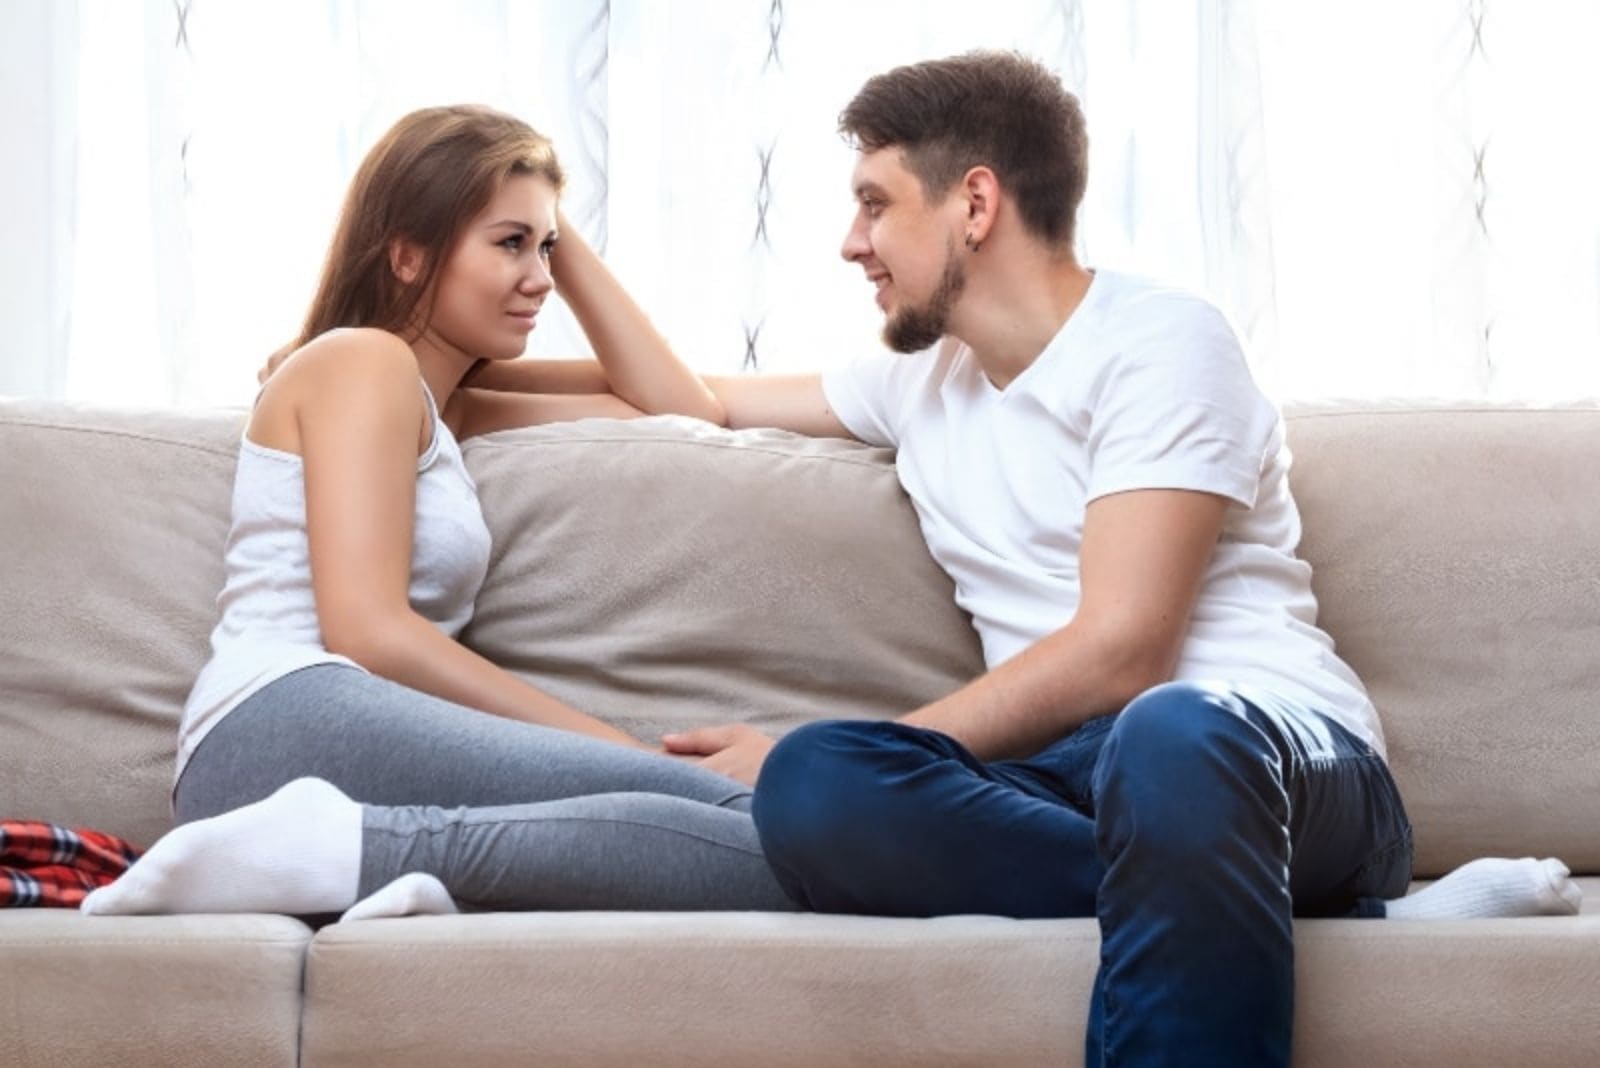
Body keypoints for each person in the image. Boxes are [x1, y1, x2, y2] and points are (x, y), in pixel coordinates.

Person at [88, 61, 1577, 1062]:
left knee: (1155, 739)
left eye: (875, 203)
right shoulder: (913, 383)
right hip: (1080, 782)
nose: (852, 242)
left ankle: (1338, 890)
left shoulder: (1160, 340)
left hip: (1270, 759)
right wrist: (564, 234)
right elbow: (692, 403)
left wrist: (885, 747)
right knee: (809, 788)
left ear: (972, 204)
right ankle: (1328, 927)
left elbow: (1127, 654)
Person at [81, 104, 795, 920]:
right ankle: (330, 851)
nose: (542, 278)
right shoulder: (361, 361)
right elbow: (368, 631)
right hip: (278, 721)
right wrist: (618, 747)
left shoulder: (451, 406)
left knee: (757, 840)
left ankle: (361, 856)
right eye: (508, 244)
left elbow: (680, 409)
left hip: (323, 744)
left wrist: (547, 217)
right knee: (744, 819)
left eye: (546, 247)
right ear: (408, 254)